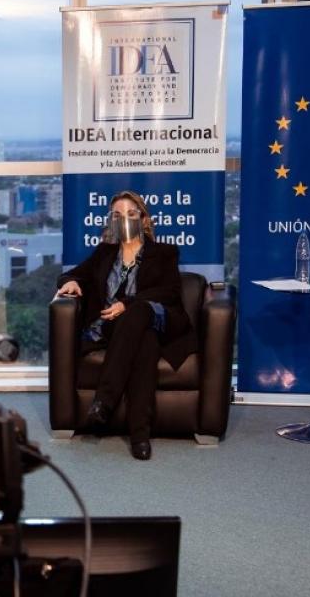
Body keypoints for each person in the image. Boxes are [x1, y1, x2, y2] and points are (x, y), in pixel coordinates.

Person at [55, 190, 196, 460]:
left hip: (157, 317)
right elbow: (71, 274)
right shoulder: (105, 253)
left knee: (139, 311)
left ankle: (104, 402)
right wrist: (69, 283)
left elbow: (169, 292)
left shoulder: (164, 252)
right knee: (145, 343)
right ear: (112, 221)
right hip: (117, 329)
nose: (125, 219)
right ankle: (140, 436)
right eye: (118, 215)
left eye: (131, 214)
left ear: (143, 218)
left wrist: (127, 304)